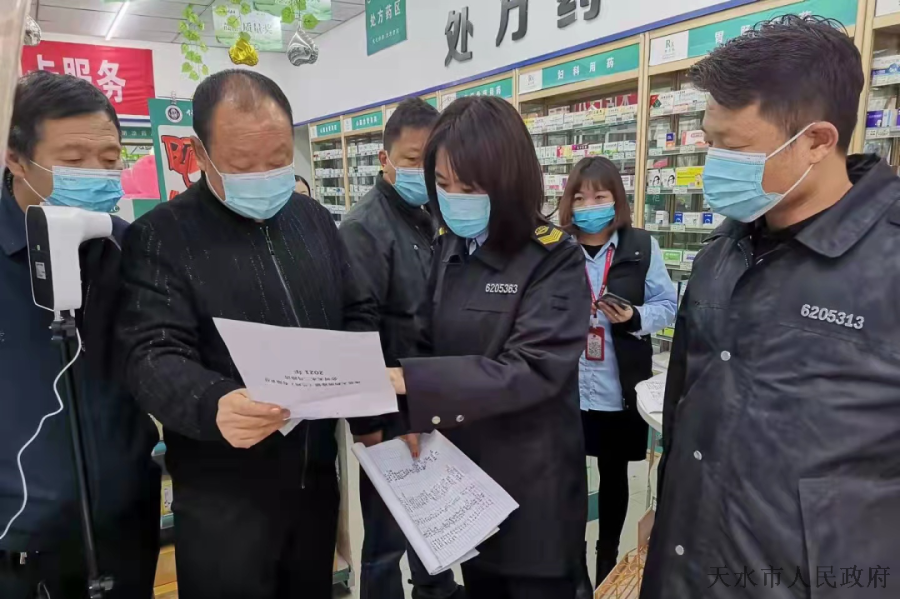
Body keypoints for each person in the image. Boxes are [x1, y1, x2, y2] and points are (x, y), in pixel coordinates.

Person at [642, 15, 900, 599]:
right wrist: (665, 511)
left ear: (817, 141)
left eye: (732, 148)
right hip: (687, 565)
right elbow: (686, 404)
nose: (713, 163)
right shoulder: (721, 253)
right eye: (709, 141)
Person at [117, 70, 377, 599]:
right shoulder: (161, 236)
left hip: (313, 477)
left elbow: (356, 309)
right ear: (200, 152)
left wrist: (367, 406)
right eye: (241, 164)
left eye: (278, 159)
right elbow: (151, 354)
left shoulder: (312, 219)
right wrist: (214, 401)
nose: (263, 176)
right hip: (223, 496)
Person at [385, 96, 590, 599]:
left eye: (471, 187)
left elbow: (533, 369)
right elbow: (427, 336)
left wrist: (414, 381)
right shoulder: (450, 246)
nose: (455, 199)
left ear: (508, 182)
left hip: (533, 489)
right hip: (466, 486)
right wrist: (409, 414)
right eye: (443, 184)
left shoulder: (553, 259)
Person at [0, 71, 160, 598]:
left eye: (111, 160)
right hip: (20, 538)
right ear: (15, 158)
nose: (97, 174)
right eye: (73, 159)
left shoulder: (127, 247)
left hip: (125, 522)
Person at [340, 98, 463, 599]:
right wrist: (368, 426)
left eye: (432, 162)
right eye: (413, 160)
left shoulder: (435, 214)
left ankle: (436, 589)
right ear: (384, 158)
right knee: (386, 535)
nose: (424, 172)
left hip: (432, 395)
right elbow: (357, 329)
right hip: (388, 409)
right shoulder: (364, 227)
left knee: (434, 517)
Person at [557, 157, 676, 589]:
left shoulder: (640, 246)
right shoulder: (556, 247)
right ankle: (572, 569)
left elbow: (668, 305)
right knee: (567, 477)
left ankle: (606, 561)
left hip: (618, 387)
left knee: (613, 475)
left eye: (600, 196)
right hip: (566, 389)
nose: (589, 205)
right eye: (580, 197)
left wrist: (634, 317)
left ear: (616, 200)